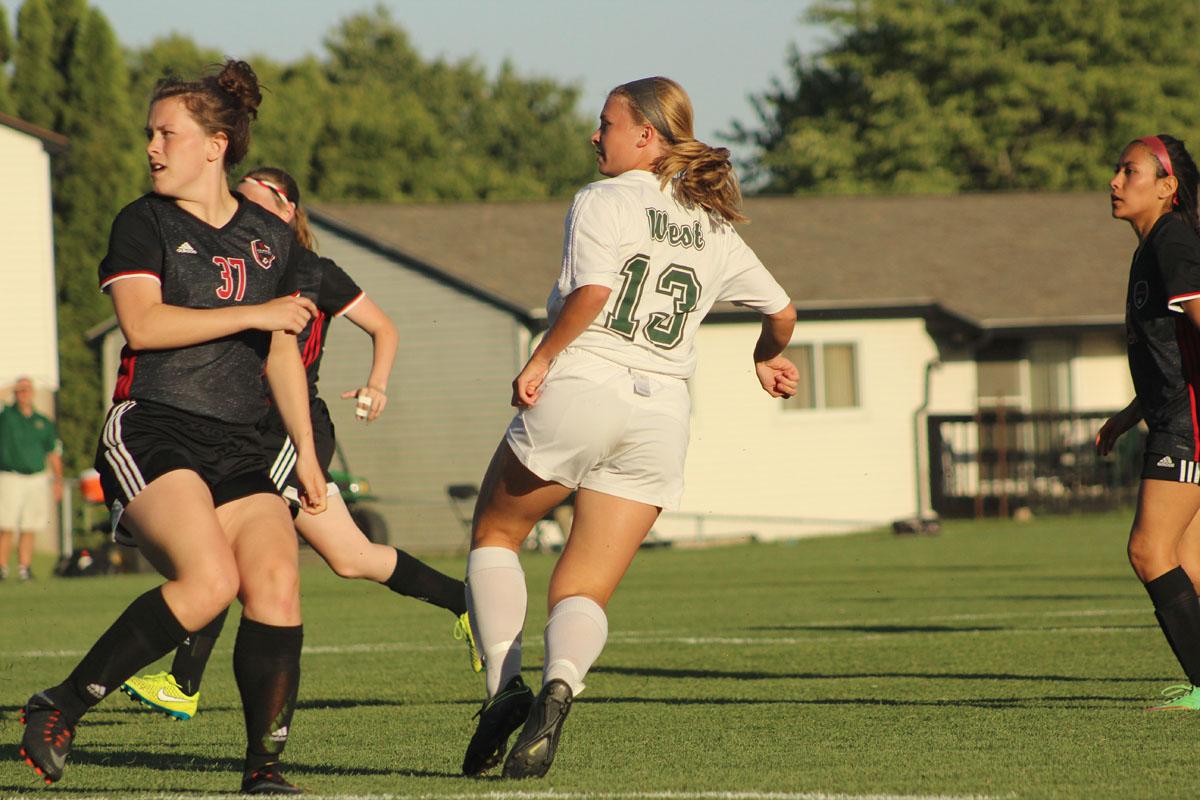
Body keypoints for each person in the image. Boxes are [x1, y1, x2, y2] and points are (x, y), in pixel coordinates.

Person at [459, 76, 798, 779]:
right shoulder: (712, 222)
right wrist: (766, 357)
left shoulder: (602, 199)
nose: (594, 135)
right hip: (661, 412)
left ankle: (504, 689)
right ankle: (561, 685)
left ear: (646, 136)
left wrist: (541, 357)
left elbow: (594, 292)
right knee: (581, 587)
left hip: (586, 382)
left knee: (496, 532)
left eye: (606, 123)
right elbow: (783, 311)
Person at [18, 60, 327, 794]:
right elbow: (144, 325)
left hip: (244, 442)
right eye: (150, 134)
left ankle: (263, 772)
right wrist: (254, 313)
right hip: (154, 428)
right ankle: (60, 706)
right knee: (210, 579)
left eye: (167, 133)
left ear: (215, 145)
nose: (152, 148)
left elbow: (282, 352)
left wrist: (307, 455)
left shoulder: (270, 239)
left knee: (278, 584)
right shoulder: (143, 221)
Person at [120, 166, 478, 723]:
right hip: (245, 430)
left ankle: (182, 682)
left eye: (255, 203)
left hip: (290, 431)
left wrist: (377, 383)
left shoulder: (312, 269)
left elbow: (384, 328)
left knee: (226, 542)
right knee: (352, 557)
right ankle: (466, 603)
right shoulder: (228, 264)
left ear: (287, 212)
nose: (240, 212)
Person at [1097, 134, 1200, 710]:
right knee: (1188, 564)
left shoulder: (1173, 241)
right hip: (1173, 416)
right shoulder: (1152, 246)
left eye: (1128, 171)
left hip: (1188, 424)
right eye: (1116, 170)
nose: (1114, 181)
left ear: (1167, 186)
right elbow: (1176, 352)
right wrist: (1129, 414)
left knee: (1148, 551)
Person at [0, 376, 63, 581]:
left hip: (36, 478)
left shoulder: (42, 421)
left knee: (30, 526)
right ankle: (2, 567)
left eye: (27, 390)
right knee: (6, 525)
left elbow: (53, 453)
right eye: (20, 390)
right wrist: (10, 387)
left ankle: (24, 568)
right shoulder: (7, 416)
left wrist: (58, 480)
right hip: (11, 475)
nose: (23, 394)